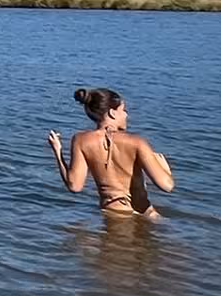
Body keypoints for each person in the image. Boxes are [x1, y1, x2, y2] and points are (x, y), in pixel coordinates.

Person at [47, 87, 174, 217]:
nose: (126, 114)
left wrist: (58, 152)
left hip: (112, 215)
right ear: (112, 113)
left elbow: (74, 186)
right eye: (123, 110)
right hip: (145, 216)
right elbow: (167, 186)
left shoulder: (81, 141)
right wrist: (164, 167)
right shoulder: (137, 142)